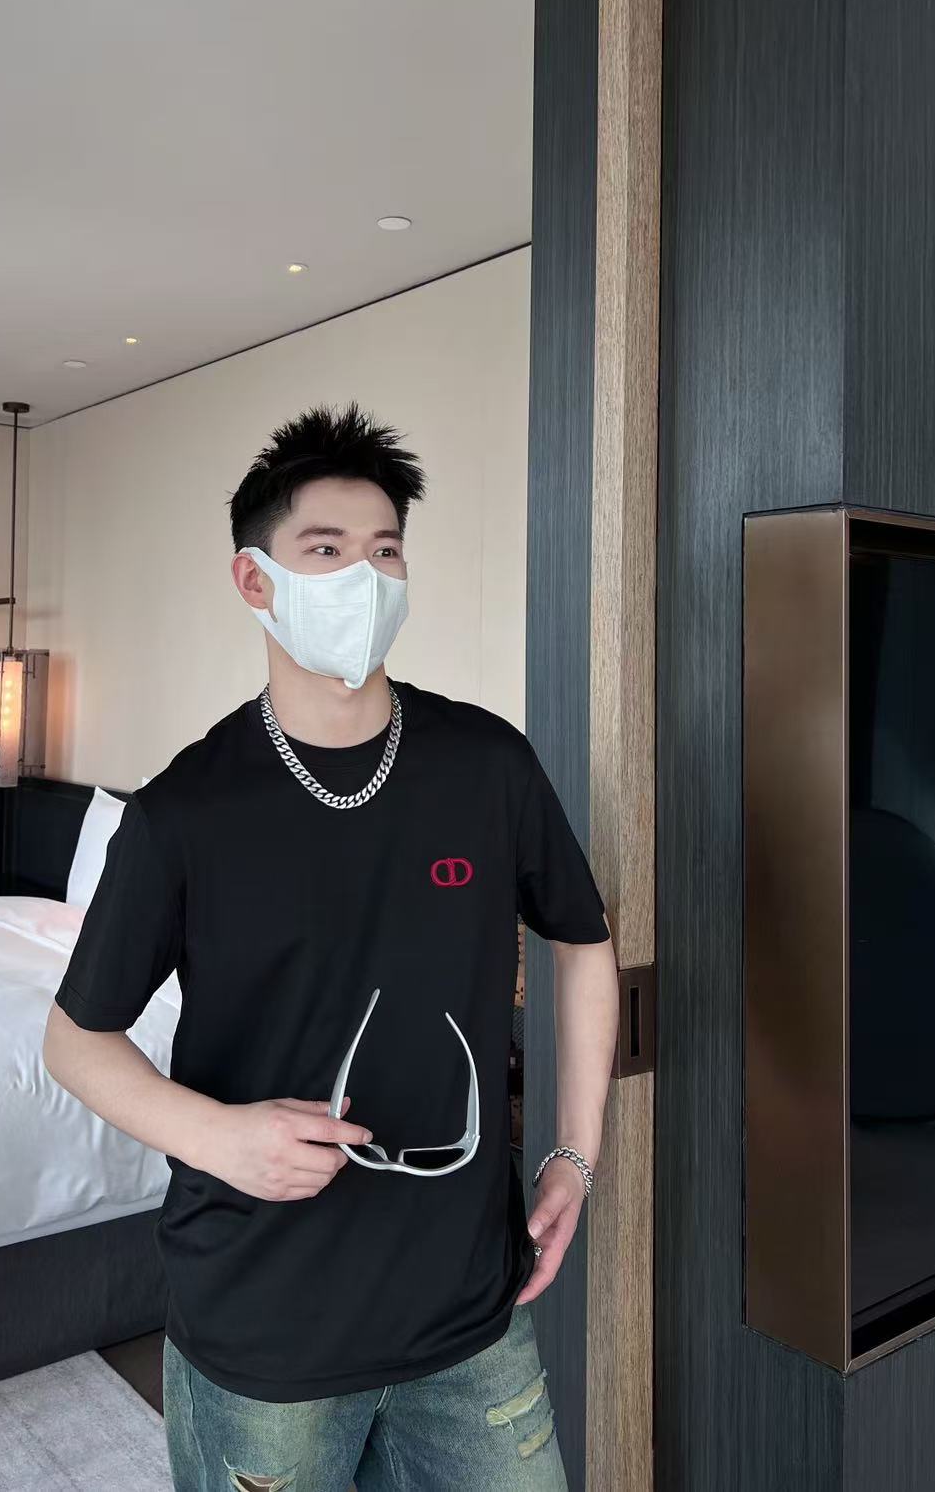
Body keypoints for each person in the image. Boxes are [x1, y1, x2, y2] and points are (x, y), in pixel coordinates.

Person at [42, 402, 619, 1492]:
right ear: (254, 580)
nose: (365, 576)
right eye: (326, 549)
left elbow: (583, 943)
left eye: (385, 551)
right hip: (265, 1332)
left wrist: (575, 1153)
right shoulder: (184, 812)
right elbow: (74, 1039)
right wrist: (219, 1137)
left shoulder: (486, 767)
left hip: (470, 1320)